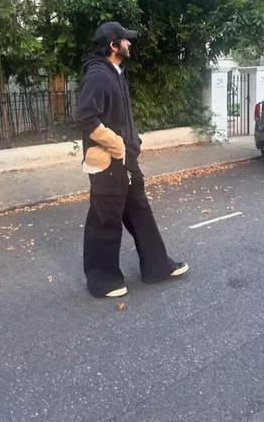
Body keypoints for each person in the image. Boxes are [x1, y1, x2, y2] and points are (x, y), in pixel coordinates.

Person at [73, 21, 189, 298]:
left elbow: (120, 116)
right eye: (125, 40)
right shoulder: (98, 75)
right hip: (107, 162)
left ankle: (157, 266)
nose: (130, 44)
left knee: (139, 210)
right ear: (113, 46)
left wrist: (132, 145)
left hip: (126, 160)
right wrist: (117, 145)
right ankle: (102, 280)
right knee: (105, 219)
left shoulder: (115, 72)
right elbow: (85, 118)